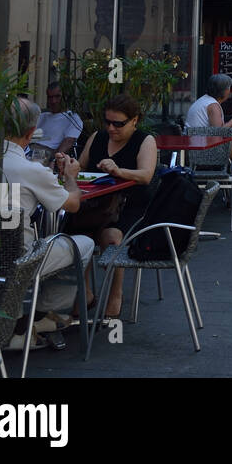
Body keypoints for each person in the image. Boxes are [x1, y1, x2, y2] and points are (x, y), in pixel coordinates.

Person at [1, 97, 94, 344]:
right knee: (84, 243)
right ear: (32, 132)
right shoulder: (30, 170)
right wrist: (71, 177)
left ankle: (21, 319)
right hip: (19, 258)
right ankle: (38, 316)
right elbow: (73, 204)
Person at [73, 95, 158, 319]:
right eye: (107, 122)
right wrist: (69, 168)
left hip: (130, 206)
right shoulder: (97, 138)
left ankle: (115, 292)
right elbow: (80, 169)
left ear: (134, 121)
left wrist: (119, 171)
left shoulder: (144, 140)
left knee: (111, 237)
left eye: (118, 124)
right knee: (74, 236)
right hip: (94, 204)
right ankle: (86, 293)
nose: (111, 128)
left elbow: (146, 175)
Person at [186, 73, 232, 179]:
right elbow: (219, 132)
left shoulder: (203, 101)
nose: (230, 90)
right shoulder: (213, 106)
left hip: (195, 150)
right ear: (224, 91)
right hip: (205, 152)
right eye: (229, 88)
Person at [33, 83, 83, 156]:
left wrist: (55, 159)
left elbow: (69, 142)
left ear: (64, 97)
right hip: (29, 149)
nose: (53, 101)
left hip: (48, 152)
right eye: (50, 97)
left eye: (57, 96)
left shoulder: (73, 118)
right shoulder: (41, 116)